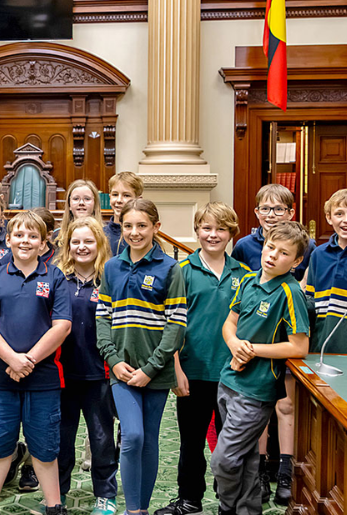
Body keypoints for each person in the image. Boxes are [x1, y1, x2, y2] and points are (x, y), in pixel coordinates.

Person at [0, 211, 72, 515]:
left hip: (43, 378)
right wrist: (12, 360)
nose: (25, 241)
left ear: (44, 244)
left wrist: (27, 360)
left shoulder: (54, 276)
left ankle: (54, 506)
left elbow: (63, 326)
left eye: (32, 236)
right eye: (19, 235)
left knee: (44, 445)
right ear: (9, 239)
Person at [155, 203, 250, 515]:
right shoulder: (182, 272)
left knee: (230, 448)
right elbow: (173, 325)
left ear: (231, 234)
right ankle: (190, 499)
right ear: (196, 231)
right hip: (193, 371)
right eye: (206, 228)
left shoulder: (245, 276)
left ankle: (230, 502)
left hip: (233, 375)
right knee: (192, 443)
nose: (213, 234)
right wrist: (176, 369)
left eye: (221, 229)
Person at [211, 221, 310, 515]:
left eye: (283, 253)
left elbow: (298, 347)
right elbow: (230, 323)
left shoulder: (290, 293)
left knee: (223, 460)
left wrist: (252, 350)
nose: (272, 255)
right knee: (247, 457)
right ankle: (248, 508)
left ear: (296, 261)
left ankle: (227, 507)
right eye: (270, 247)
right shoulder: (248, 280)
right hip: (228, 380)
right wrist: (233, 343)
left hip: (256, 390)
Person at [96, 199, 187, 515]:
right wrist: (113, 360)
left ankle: (142, 508)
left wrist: (150, 369)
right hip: (121, 371)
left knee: (149, 441)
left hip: (156, 372)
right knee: (132, 434)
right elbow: (102, 317)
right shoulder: (111, 267)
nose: (134, 232)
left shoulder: (170, 269)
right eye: (128, 226)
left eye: (142, 226)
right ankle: (132, 510)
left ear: (156, 228)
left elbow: (176, 324)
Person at [230, 183, 315, 503]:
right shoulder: (244, 247)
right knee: (259, 407)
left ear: (291, 213)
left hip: (288, 332)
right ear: (256, 213)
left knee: (286, 404)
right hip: (254, 336)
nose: (271, 215)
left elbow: (303, 288)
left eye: (279, 209)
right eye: (265, 209)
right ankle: (261, 472)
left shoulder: (300, 247)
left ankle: (285, 471)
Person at [54, 217, 117, 515]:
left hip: (99, 374)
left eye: (88, 241)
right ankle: (58, 493)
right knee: (61, 439)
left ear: (100, 244)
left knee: (102, 438)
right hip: (62, 375)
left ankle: (105, 494)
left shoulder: (110, 280)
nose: (82, 247)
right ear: (68, 246)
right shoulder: (56, 279)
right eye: (76, 242)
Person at [306, 189, 347, 354]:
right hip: (322, 344)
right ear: (329, 218)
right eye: (339, 214)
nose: (345, 220)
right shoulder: (318, 254)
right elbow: (311, 301)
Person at [104, 172, 144, 256]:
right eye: (115, 194)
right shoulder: (101, 234)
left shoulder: (141, 236)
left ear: (138, 199)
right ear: (110, 197)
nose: (119, 200)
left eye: (126, 195)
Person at [55, 180, 103, 247]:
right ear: (69, 204)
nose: (81, 203)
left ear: (95, 204)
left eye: (87, 199)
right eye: (76, 199)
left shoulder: (105, 234)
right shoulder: (57, 236)